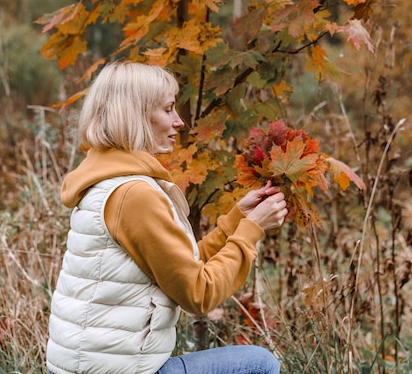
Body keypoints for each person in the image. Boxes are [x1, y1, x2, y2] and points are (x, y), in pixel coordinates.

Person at [46, 61, 288, 374]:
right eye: (168, 109)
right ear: (135, 115)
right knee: (259, 365)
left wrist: (236, 220)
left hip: (91, 368)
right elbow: (198, 294)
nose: (179, 122)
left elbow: (178, 266)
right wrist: (252, 231)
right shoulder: (134, 194)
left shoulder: (107, 179)